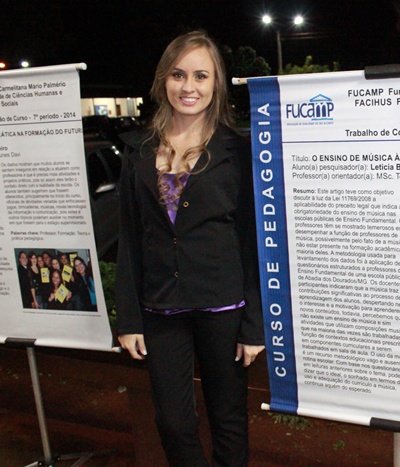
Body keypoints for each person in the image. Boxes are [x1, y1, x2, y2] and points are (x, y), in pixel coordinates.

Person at [116, 30, 264, 466]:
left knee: (228, 418)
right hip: (161, 308)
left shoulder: (238, 152)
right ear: (163, 79)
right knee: (173, 422)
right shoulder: (138, 152)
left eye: (201, 76)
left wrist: (254, 325)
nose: (189, 86)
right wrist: (129, 318)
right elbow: (130, 238)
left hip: (223, 307)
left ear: (216, 83)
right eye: (178, 74)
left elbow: (253, 241)